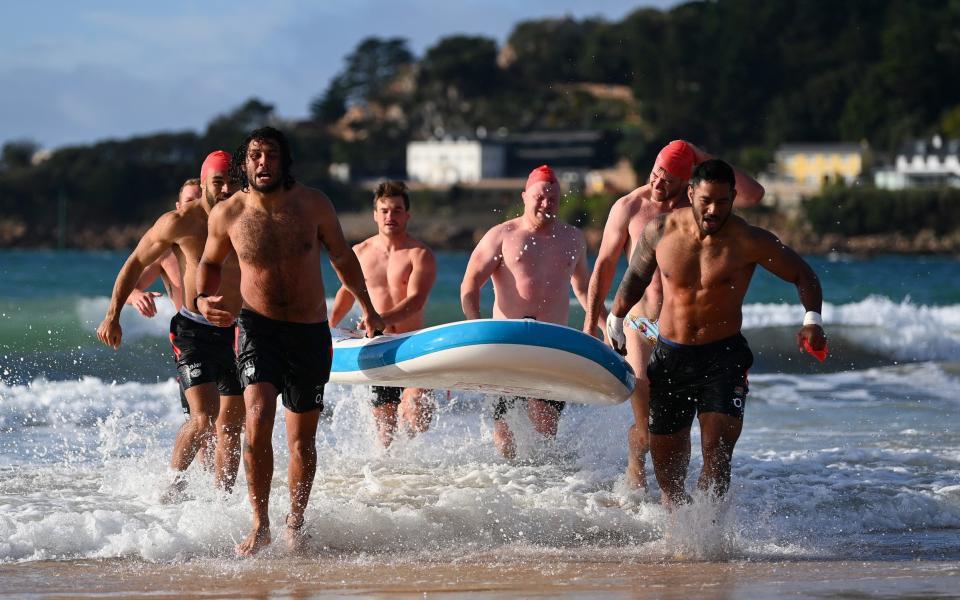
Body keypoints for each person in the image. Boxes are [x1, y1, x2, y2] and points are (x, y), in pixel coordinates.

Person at [196, 126, 385, 556]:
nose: (264, 163)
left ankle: (295, 521)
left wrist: (368, 309)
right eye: (256, 156)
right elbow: (208, 264)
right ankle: (260, 522)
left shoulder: (313, 204)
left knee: (302, 440)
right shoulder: (227, 214)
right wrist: (202, 301)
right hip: (257, 328)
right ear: (245, 164)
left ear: (285, 162)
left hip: (308, 332)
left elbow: (342, 257)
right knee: (258, 419)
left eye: (272, 156)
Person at [604, 159, 826, 507]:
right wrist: (615, 319)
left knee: (717, 452)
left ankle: (709, 532)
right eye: (706, 200)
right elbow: (635, 277)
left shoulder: (749, 240)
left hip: (723, 358)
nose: (713, 210)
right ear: (690, 193)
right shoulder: (660, 231)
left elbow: (804, 275)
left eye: (723, 202)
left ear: (734, 198)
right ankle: (683, 532)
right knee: (667, 468)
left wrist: (812, 320)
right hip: (671, 356)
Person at [582, 140, 765, 490]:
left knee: (696, 424)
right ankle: (636, 469)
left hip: (688, 332)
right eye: (654, 174)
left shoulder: (699, 206)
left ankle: (688, 502)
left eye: (668, 179)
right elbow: (604, 266)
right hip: (642, 323)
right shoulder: (630, 207)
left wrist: (701, 155)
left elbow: (753, 194)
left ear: (688, 182)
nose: (658, 185)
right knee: (650, 425)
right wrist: (594, 321)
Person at [96, 154, 245, 497]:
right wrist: (113, 313)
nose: (224, 190)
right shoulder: (179, 223)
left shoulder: (247, 217)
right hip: (193, 330)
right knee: (204, 418)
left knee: (232, 427)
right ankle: (172, 485)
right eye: (217, 182)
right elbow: (135, 263)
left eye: (231, 183)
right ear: (205, 182)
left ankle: (223, 501)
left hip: (238, 331)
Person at [461, 165, 592, 459]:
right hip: (506, 344)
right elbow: (469, 285)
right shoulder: (502, 236)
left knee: (545, 428)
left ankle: (540, 487)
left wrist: (595, 323)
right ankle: (511, 485)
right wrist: (475, 327)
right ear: (525, 197)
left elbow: (584, 288)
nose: (547, 204)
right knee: (505, 435)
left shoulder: (573, 238)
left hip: (552, 344)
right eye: (540, 197)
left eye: (554, 199)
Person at [330, 180, 438, 447]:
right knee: (386, 437)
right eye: (385, 210)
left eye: (397, 210)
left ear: (407, 215)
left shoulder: (420, 254)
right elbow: (346, 293)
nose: (391, 216)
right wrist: (329, 331)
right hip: (378, 347)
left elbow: (416, 300)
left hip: (413, 345)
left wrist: (380, 319)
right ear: (375, 214)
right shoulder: (360, 252)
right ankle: (392, 483)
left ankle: (421, 473)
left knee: (416, 418)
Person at [125, 178, 201, 318]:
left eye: (201, 200)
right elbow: (127, 288)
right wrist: (137, 296)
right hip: (188, 333)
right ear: (178, 207)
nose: (195, 206)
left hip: (230, 333)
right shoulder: (166, 252)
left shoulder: (225, 243)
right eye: (190, 201)